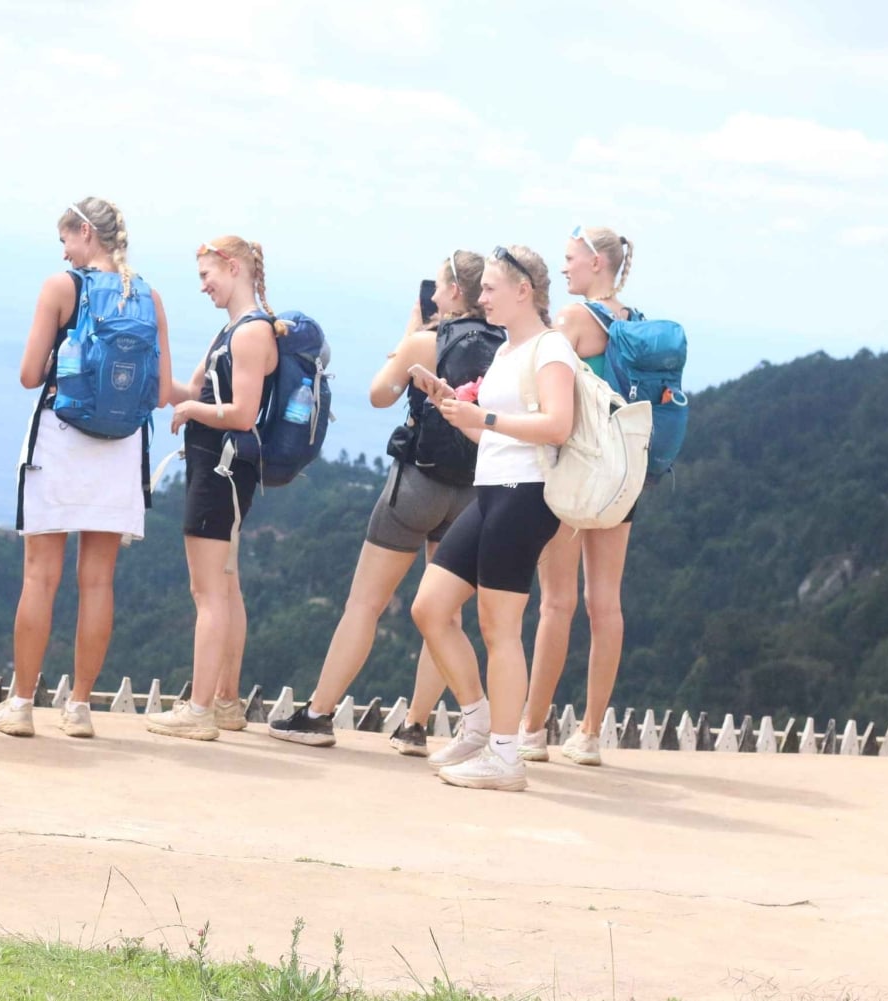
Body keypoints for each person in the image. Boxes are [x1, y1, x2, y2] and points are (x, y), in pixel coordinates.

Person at [268, 251, 500, 754]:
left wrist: (408, 338)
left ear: (456, 292)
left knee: (365, 604)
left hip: (417, 485)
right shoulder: (507, 347)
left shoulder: (427, 340)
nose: (434, 295)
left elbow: (378, 395)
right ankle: (415, 727)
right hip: (472, 491)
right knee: (445, 616)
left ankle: (319, 713)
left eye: (440, 286)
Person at [0, 198, 173, 740]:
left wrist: (62, 364)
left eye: (66, 239)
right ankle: (80, 707)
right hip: (120, 450)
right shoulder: (149, 297)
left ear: (86, 234)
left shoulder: (61, 288)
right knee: (98, 583)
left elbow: (28, 375)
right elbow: (160, 392)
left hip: (61, 441)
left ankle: (21, 704)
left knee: (39, 577)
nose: (65, 250)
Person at [410, 245, 575, 791]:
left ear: (523, 291)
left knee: (499, 628)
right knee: (430, 607)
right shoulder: (508, 350)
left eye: (491, 288)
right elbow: (494, 433)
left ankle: (507, 756)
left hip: (526, 496)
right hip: (493, 489)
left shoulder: (551, 349)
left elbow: (557, 426)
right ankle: (480, 724)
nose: (481, 296)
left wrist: (485, 415)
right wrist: (456, 413)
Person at [143, 236, 282, 741]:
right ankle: (224, 701)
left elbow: (241, 414)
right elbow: (189, 389)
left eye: (207, 275)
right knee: (225, 587)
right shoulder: (233, 332)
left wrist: (192, 412)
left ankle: (199, 709)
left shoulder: (248, 335)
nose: (203, 286)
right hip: (222, 472)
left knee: (208, 593)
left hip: (220, 470)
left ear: (232, 266)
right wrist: (157, 344)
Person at [518, 226, 637, 767]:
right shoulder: (636, 323)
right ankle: (589, 734)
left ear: (596, 262)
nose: (563, 269)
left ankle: (532, 727)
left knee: (557, 602)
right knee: (605, 602)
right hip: (621, 475)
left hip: (573, 474)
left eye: (569, 260)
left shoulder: (571, 322)